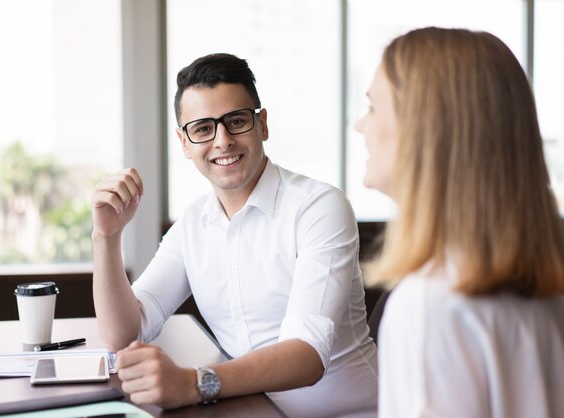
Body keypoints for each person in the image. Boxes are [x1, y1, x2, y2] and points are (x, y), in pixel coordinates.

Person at [91, 53, 378, 417]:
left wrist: (194, 383)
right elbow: (124, 335)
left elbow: (307, 354)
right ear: (184, 143)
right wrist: (107, 237)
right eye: (202, 129)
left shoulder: (319, 207)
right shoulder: (192, 226)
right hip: (250, 409)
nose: (222, 141)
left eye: (237, 121)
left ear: (263, 125)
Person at [356, 27, 564, 418]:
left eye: (374, 107)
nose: (361, 125)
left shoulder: (429, 303)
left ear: (425, 129)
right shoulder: (541, 285)